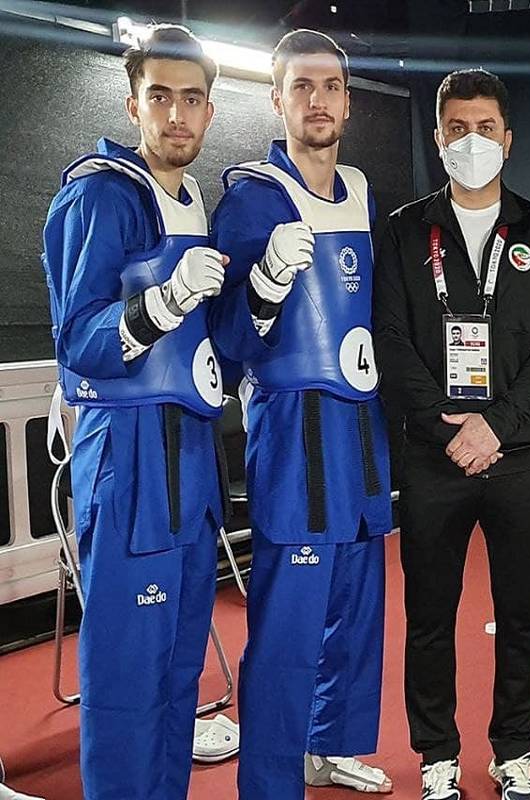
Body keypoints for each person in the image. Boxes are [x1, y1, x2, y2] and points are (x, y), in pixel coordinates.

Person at [374, 68, 530, 800]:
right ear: (438, 138)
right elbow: (391, 340)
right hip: (434, 460)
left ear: (508, 139)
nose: (471, 140)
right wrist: (445, 427)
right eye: (457, 128)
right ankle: (437, 758)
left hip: (519, 457)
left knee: (520, 616)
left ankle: (513, 753)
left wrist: (497, 426)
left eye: (485, 127)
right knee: (429, 617)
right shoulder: (405, 231)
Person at [41, 24, 227, 800]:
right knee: (127, 674)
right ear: (133, 105)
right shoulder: (102, 193)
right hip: (130, 454)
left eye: (191, 99)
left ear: (210, 110)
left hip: (191, 453)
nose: (176, 114)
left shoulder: (192, 200)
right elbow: (79, 339)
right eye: (160, 97)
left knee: (179, 671)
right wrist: (162, 303)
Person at [206, 29, 392, 799]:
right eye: (302, 86)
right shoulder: (253, 197)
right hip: (294, 434)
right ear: (277, 99)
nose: (318, 100)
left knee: (357, 610)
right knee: (288, 629)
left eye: (331, 86)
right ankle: (269, 783)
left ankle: (330, 747)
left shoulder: (362, 189)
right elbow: (224, 341)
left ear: (348, 102)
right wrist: (264, 286)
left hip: (362, 429)